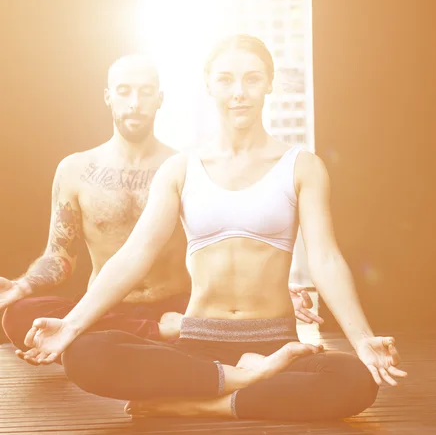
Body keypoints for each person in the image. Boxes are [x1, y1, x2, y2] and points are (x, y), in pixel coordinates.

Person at [20, 35, 405, 422]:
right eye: (226, 80)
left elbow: (325, 258)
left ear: (269, 83)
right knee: (86, 354)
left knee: (356, 379)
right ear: (209, 86)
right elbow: (135, 255)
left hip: (272, 340)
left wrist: (362, 340)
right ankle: (243, 379)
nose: (239, 92)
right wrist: (70, 327)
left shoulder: (301, 166)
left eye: (252, 79)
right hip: (199, 343)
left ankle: (207, 402)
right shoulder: (181, 169)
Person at [1, 54, 319, 353]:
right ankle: (148, 334)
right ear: (108, 96)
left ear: (160, 99)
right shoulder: (75, 170)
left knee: (91, 346)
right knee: (18, 317)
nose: (135, 103)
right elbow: (59, 258)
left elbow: (231, 237)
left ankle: (114, 339)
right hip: (106, 307)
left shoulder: (188, 167)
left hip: (178, 306)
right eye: (124, 92)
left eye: (145, 92)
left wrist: (271, 290)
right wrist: (23, 286)